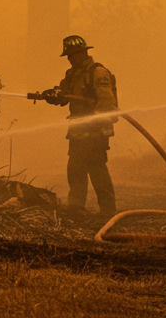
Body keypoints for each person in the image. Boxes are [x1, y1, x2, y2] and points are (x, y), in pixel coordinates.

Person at [47, 35, 118, 218]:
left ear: (82, 53)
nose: (70, 59)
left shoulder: (98, 72)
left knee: (96, 168)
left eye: (72, 55)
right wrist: (54, 95)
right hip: (79, 130)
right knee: (76, 167)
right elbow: (65, 94)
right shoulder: (73, 74)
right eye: (68, 56)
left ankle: (107, 209)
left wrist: (95, 121)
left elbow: (107, 101)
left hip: (95, 130)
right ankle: (76, 207)